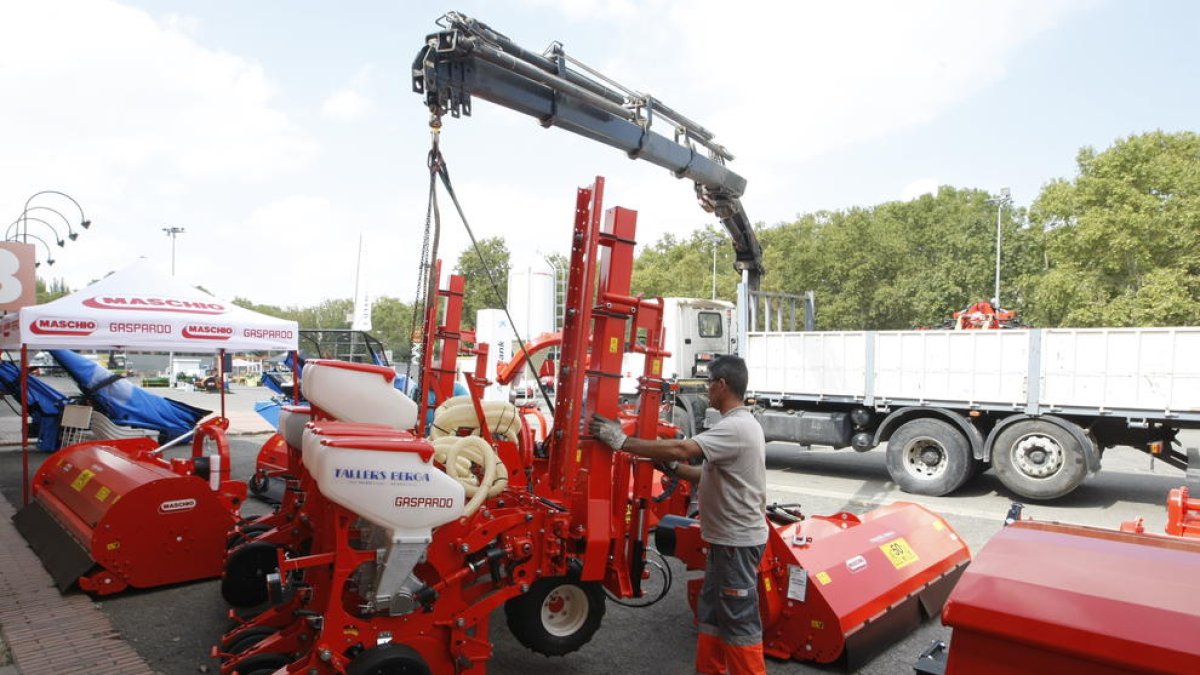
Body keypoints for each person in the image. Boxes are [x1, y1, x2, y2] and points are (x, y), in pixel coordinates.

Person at [590, 354, 768, 675]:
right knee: (713, 616)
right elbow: (705, 474)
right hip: (724, 542)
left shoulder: (737, 427)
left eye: (709, 383)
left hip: (736, 545)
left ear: (722, 385)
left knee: (739, 621)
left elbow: (683, 449)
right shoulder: (738, 426)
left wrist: (623, 442)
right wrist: (672, 468)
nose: (706, 390)